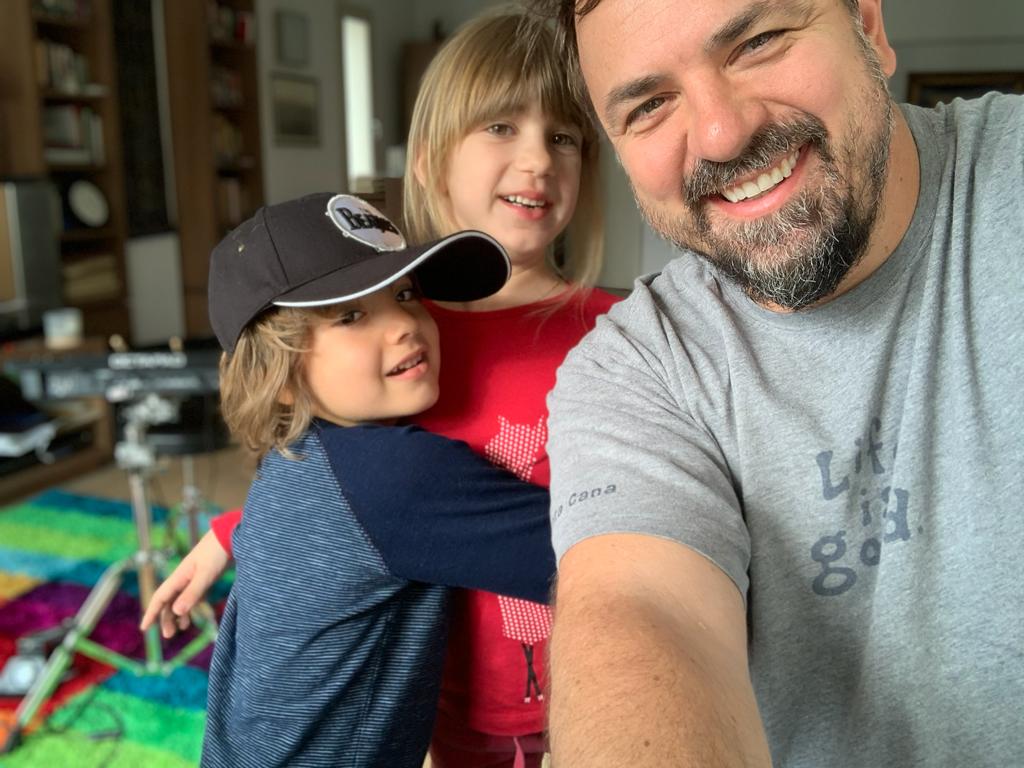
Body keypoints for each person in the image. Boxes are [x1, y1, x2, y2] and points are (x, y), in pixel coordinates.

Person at [527, 0, 1024, 766]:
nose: (721, 134)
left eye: (757, 42)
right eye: (649, 105)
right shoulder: (636, 372)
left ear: (868, 26)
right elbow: (642, 613)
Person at [143, 9, 619, 767]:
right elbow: (346, 481)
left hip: (600, 692)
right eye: (500, 126)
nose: (537, 158)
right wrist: (235, 530)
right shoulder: (404, 361)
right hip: (452, 713)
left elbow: (355, 488)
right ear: (428, 162)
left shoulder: (619, 333)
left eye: (564, 136)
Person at [190, 191, 566, 768]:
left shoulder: (294, 459)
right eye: (350, 315)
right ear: (278, 375)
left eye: (407, 294)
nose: (406, 325)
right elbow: (594, 554)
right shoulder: (400, 475)